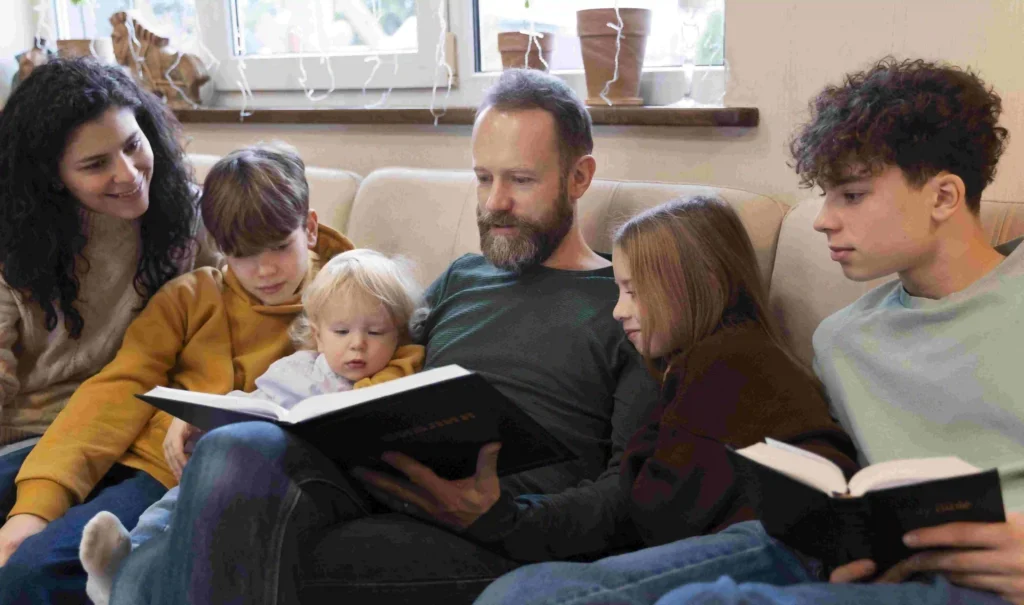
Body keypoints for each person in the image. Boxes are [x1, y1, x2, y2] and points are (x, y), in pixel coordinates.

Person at [477, 57, 1024, 605]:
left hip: (988, 578)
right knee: (526, 592)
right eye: (826, 194)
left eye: (851, 196)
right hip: (854, 559)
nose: (822, 219)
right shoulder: (842, 340)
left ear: (944, 197)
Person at [109, 68, 661, 605]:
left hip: (496, 529)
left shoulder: (625, 303)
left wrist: (501, 518)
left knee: (171, 573)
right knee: (228, 453)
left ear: (579, 177)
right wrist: (229, 410)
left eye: (520, 180)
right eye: (483, 177)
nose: (494, 203)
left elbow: (629, 490)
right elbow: (351, 354)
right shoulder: (463, 278)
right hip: (377, 489)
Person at [0, 143, 355, 604]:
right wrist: (36, 506)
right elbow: (115, 390)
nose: (265, 269)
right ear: (220, 246)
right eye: (242, 255)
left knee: (30, 574)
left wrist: (222, 415)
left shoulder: (348, 307)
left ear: (308, 228)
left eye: (278, 246)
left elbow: (376, 384)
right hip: (122, 449)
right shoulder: (189, 296)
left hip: (173, 478)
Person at [474, 195, 859, 604]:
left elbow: (660, 511)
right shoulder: (709, 357)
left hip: (784, 540)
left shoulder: (725, 360)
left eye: (634, 292)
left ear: (705, 282)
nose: (619, 311)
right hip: (772, 540)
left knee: (527, 593)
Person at [80, 247, 427, 605]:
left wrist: (396, 356)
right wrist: (201, 418)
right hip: (255, 458)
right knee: (177, 499)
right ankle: (126, 553)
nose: (358, 344)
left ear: (398, 335)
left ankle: (127, 570)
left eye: (375, 331)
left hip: (309, 483)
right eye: (341, 331)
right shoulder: (298, 368)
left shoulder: (397, 369)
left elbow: (404, 366)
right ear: (319, 335)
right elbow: (251, 401)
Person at [0, 57, 203, 513]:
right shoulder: (12, 242)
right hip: (33, 435)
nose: (129, 174)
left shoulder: (188, 214)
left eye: (133, 145)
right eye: (95, 165)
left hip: (139, 424)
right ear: (53, 177)